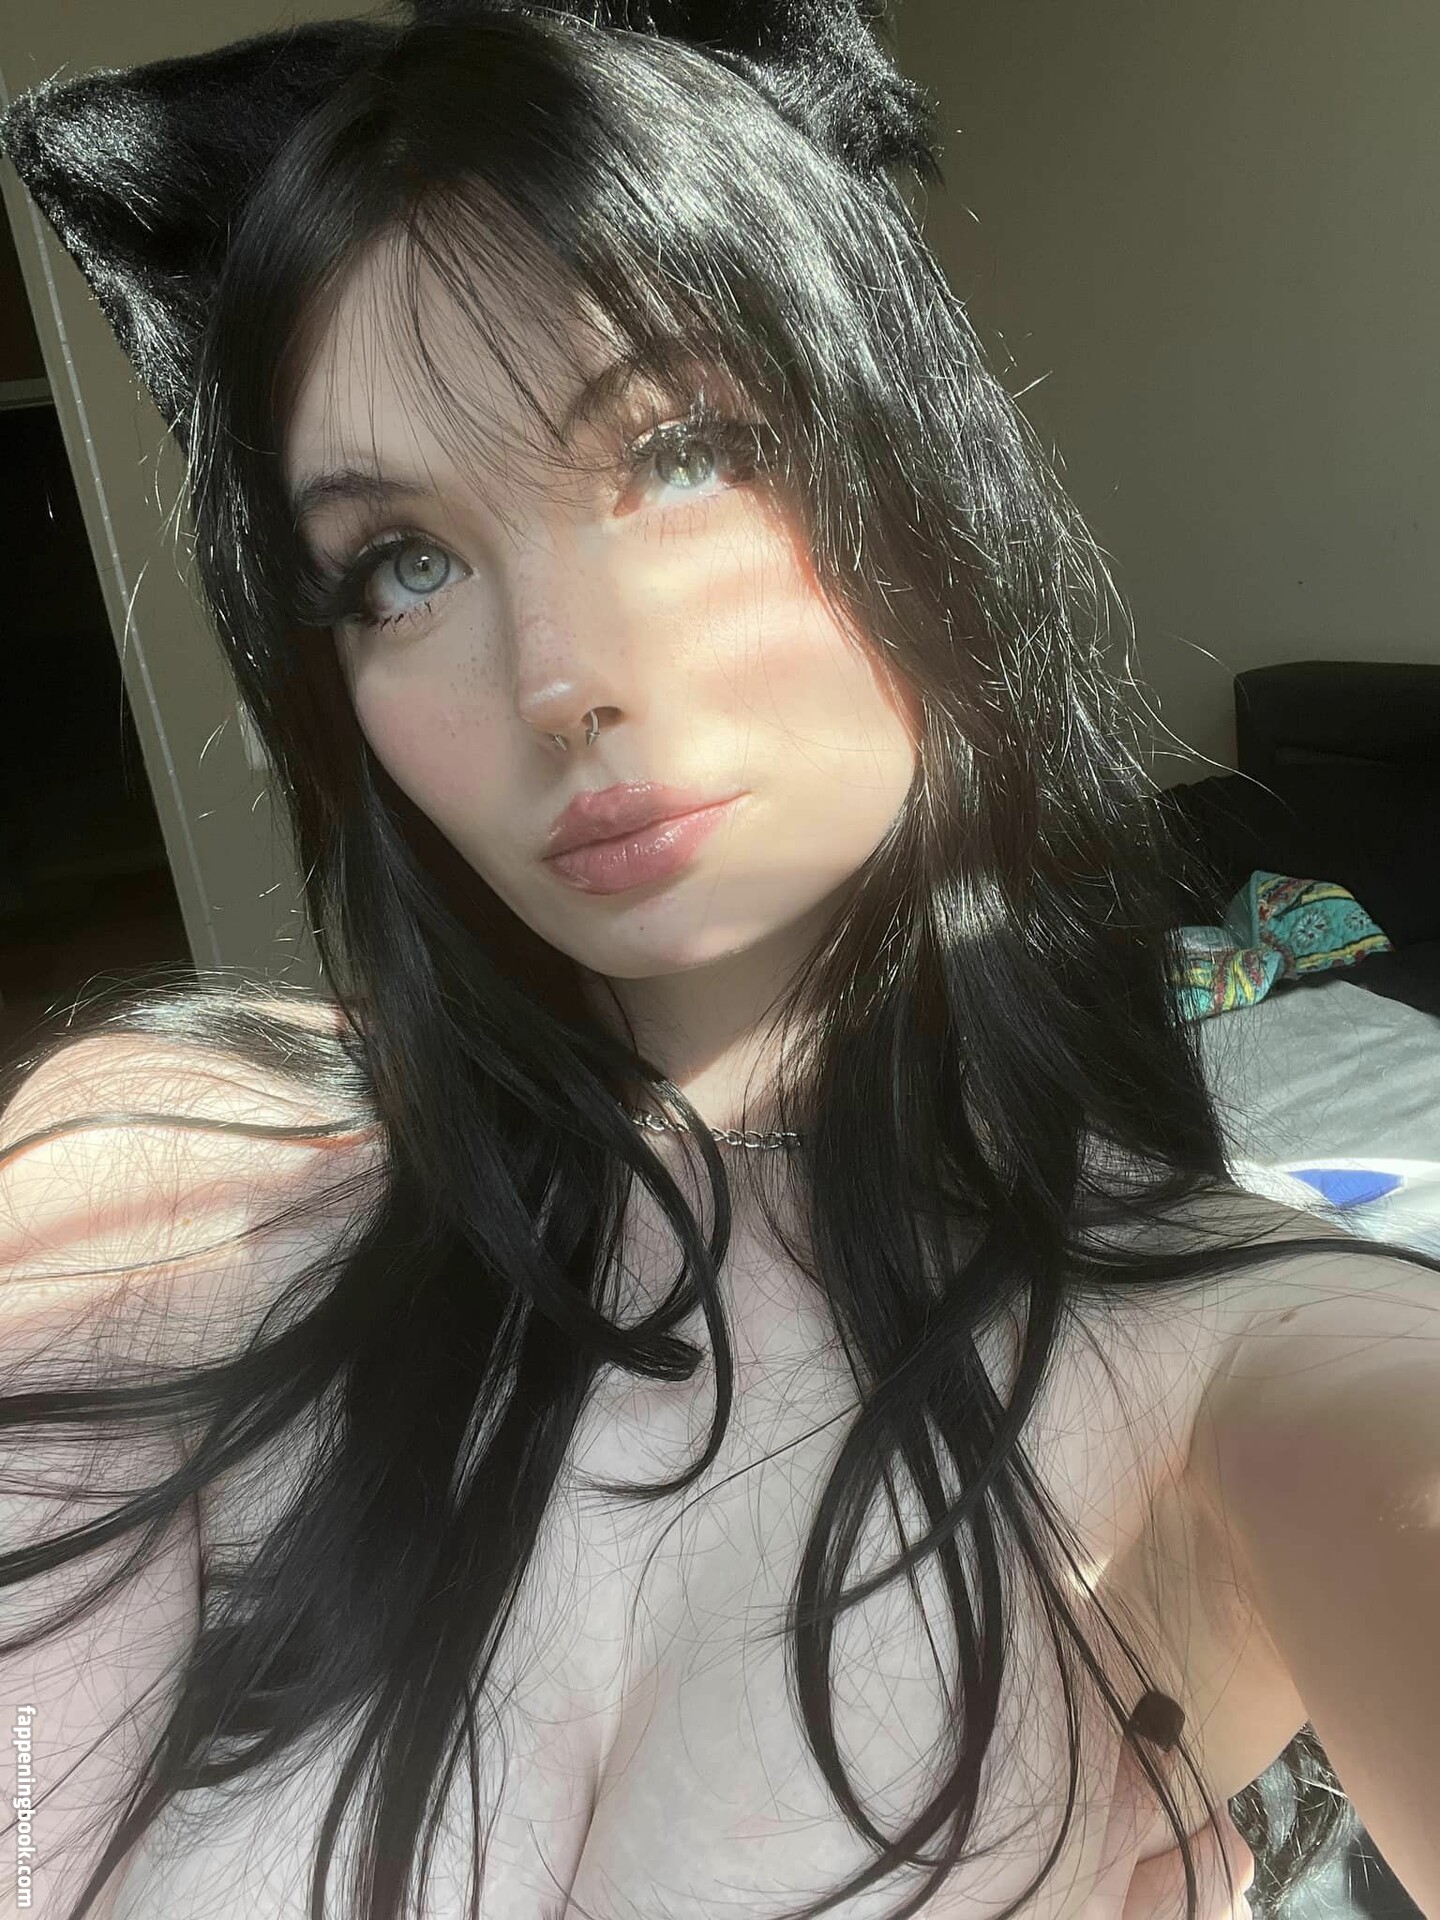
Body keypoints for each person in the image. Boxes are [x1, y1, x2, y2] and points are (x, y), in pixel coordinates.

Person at [0, 5, 1435, 1917]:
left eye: (682, 453)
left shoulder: (1244, 1349)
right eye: (402, 563)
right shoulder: (161, 1164)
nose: (559, 679)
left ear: (921, 479)